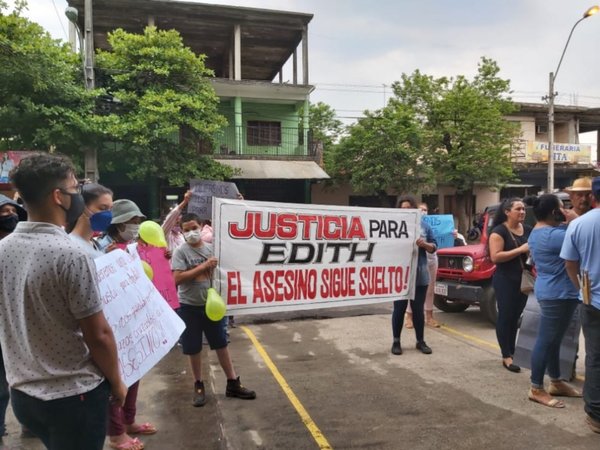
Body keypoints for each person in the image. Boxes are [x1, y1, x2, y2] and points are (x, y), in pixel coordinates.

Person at [0, 153, 126, 450]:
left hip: (24, 396)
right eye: (74, 188)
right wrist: (117, 382)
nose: (77, 196)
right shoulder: (71, 254)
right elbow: (99, 334)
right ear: (58, 196)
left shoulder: (3, 249)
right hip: (74, 397)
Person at [171, 213, 256, 407]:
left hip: (214, 306)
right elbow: (177, 279)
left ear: (202, 226)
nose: (191, 232)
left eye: (194, 227)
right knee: (193, 348)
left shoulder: (212, 249)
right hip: (189, 307)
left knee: (221, 344)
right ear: (182, 232)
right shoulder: (180, 252)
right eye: (186, 230)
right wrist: (204, 267)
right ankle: (198, 384)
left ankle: (232, 382)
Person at [97, 199, 155, 450]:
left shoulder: (131, 246)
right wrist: (106, 259)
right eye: (132, 222)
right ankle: (116, 433)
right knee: (117, 380)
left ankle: (129, 421)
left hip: (132, 319)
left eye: (138, 222)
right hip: (110, 324)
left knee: (135, 371)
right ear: (118, 223)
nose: (136, 226)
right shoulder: (99, 247)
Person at [527, 194, 581, 408]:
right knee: (546, 340)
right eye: (562, 207)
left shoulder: (538, 232)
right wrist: (575, 217)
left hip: (557, 292)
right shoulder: (553, 235)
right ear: (553, 212)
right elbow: (580, 233)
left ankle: (556, 382)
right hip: (555, 294)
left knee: (554, 340)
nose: (565, 210)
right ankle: (536, 388)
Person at [561, 177, 600, 433]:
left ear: (593, 196)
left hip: (592, 300)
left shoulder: (579, 225)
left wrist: (581, 289)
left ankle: (596, 415)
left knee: (595, 357)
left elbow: (570, 263)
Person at [488, 198, 532, 373]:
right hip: (505, 279)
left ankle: (513, 351)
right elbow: (495, 257)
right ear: (507, 212)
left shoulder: (527, 230)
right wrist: (521, 250)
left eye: (523, 209)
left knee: (516, 317)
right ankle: (506, 355)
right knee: (505, 316)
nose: (522, 212)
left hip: (523, 279)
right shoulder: (499, 232)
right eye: (518, 209)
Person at [391, 196, 437, 355]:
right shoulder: (392, 226)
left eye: (409, 208)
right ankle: (396, 341)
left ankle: (420, 341)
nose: (406, 212)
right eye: (402, 209)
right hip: (400, 275)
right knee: (399, 308)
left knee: (418, 309)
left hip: (420, 274)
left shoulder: (424, 226)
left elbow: (434, 246)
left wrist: (424, 245)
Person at [0, 194, 27, 439]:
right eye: (4, 212)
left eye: (13, 210)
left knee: (28, 376)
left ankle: (30, 424)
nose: (10, 215)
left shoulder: (23, 245)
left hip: (24, 324)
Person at [405, 202, 440, 329]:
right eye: (420, 210)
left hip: (431, 261)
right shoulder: (408, 226)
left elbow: (434, 244)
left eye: (425, 210)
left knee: (430, 290)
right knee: (412, 290)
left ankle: (429, 317)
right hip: (417, 262)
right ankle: (409, 316)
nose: (423, 212)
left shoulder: (427, 226)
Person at [69, 183, 114, 257]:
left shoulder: (93, 244)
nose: (108, 214)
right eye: (103, 208)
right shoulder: (71, 246)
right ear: (82, 207)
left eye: (110, 209)